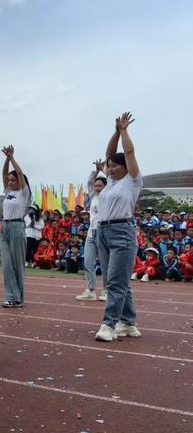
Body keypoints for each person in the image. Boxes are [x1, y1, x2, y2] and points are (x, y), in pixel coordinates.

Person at [95, 112, 143, 342]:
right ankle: (129, 323)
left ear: (126, 167)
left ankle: (109, 324)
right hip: (102, 232)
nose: (110, 169)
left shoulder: (132, 180)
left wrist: (124, 131)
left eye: (115, 166)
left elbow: (130, 152)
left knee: (115, 281)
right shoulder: (111, 182)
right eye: (109, 167)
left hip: (122, 232)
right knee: (116, 281)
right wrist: (114, 131)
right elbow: (108, 153)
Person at [0, 145, 30, 307]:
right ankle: (11, 296)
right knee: (6, 264)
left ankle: (18, 298)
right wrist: (6, 159)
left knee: (17, 264)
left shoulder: (24, 193)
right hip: (4, 228)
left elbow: (18, 172)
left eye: (13, 180)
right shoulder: (8, 192)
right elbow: (4, 173)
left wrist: (12, 158)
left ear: (20, 181)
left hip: (17, 227)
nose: (10, 181)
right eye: (9, 180)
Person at [76, 161, 108, 301]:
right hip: (91, 233)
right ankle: (90, 290)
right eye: (96, 186)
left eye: (100, 185)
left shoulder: (109, 195)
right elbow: (89, 181)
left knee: (106, 263)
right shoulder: (93, 196)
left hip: (104, 232)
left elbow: (114, 182)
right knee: (88, 262)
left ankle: (107, 290)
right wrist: (96, 171)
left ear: (106, 187)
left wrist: (104, 169)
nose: (97, 188)